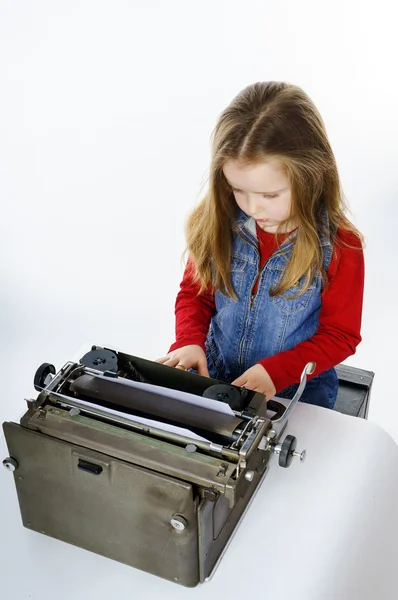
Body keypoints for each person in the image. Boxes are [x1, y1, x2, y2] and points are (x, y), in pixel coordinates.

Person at [156, 81, 364, 409]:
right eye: (239, 189)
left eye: (270, 195)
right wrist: (188, 342)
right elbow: (195, 295)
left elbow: (340, 336)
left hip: (295, 395)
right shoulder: (219, 221)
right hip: (217, 380)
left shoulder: (340, 246)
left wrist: (277, 372)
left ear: (310, 176)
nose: (253, 207)